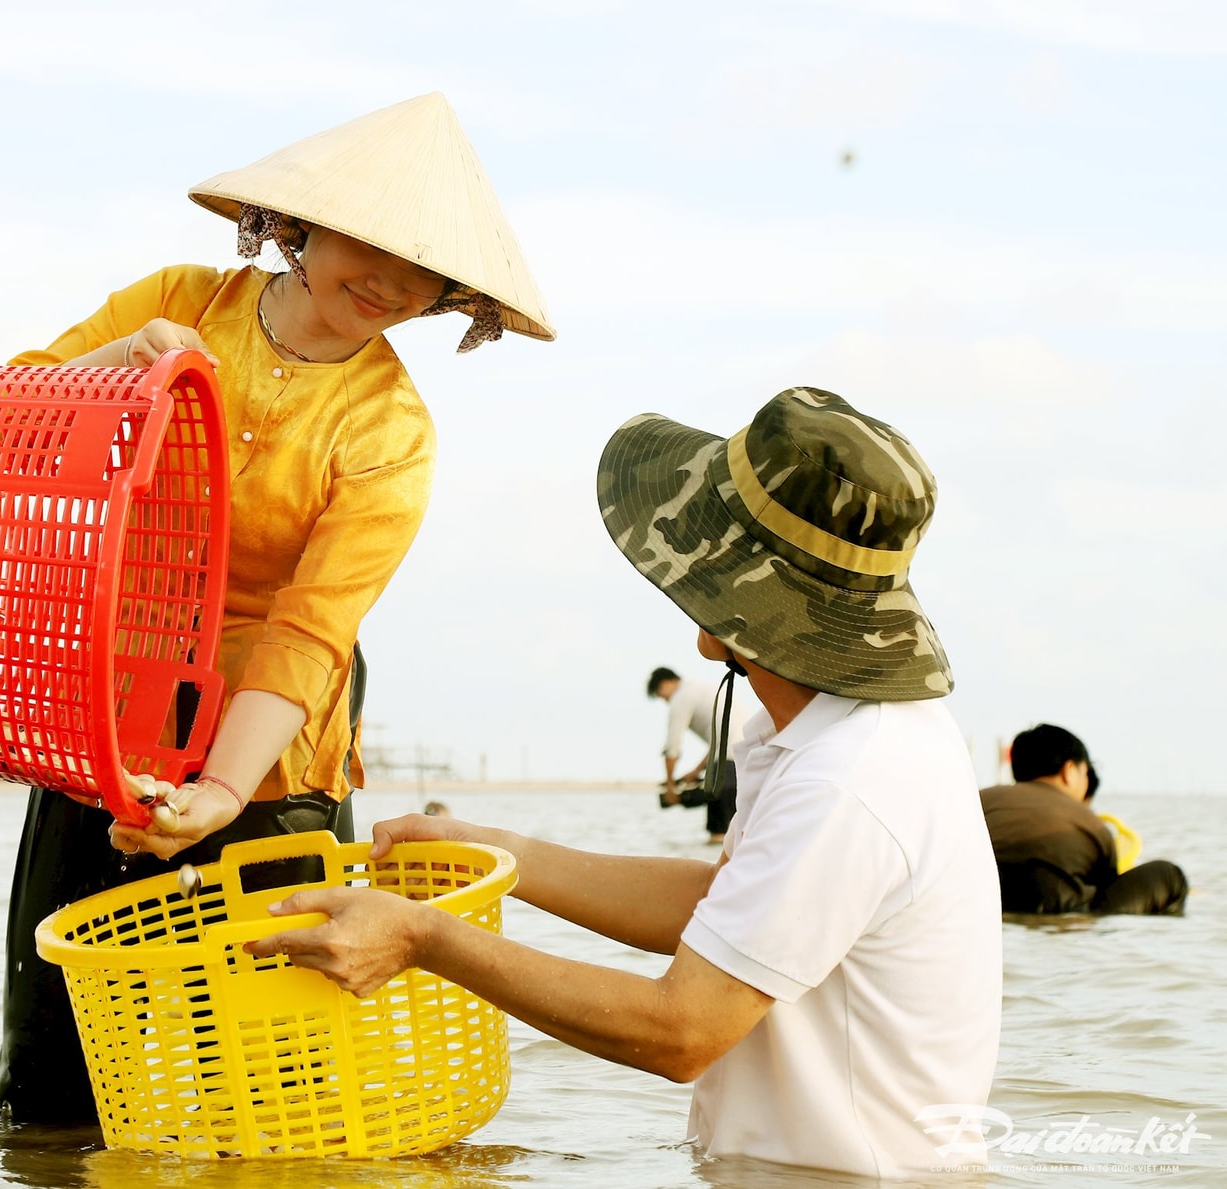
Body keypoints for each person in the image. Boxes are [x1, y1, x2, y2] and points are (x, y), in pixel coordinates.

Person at [250, 388, 1004, 1178]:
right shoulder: (837, 734)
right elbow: (727, 908)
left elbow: (682, 1030)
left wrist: (424, 938)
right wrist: (500, 853)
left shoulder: (852, 779)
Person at [0, 93, 554, 1123]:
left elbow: (310, 628)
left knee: (273, 1082)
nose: (390, 281)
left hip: (274, 753)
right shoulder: (180, 302)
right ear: (298, 224)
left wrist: (219, 789)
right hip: (111, 720)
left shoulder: (392, 430)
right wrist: (125, 364)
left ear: (450, 294)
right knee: (52, 1073)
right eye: (368, 243)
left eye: (424, 268)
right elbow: (3, 421)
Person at [980, 723, 1187, 915]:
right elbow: (1106, 883)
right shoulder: (1088, 822)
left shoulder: (980, 799)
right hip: (1061, 912)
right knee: (1169, 876)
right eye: (1085, 772)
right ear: (1069, 771)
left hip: (981, 902)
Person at [647, 665, 749, 840]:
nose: (665, 701)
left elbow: (672, 747)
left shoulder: (681, 698)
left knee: (718, 836)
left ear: (664, 685)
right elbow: (721, 740)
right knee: (738, 836)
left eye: (661, 697)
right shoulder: (702, 689)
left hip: (727, 764)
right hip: (746, 758)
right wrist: (697, 771)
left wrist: (671, 786)